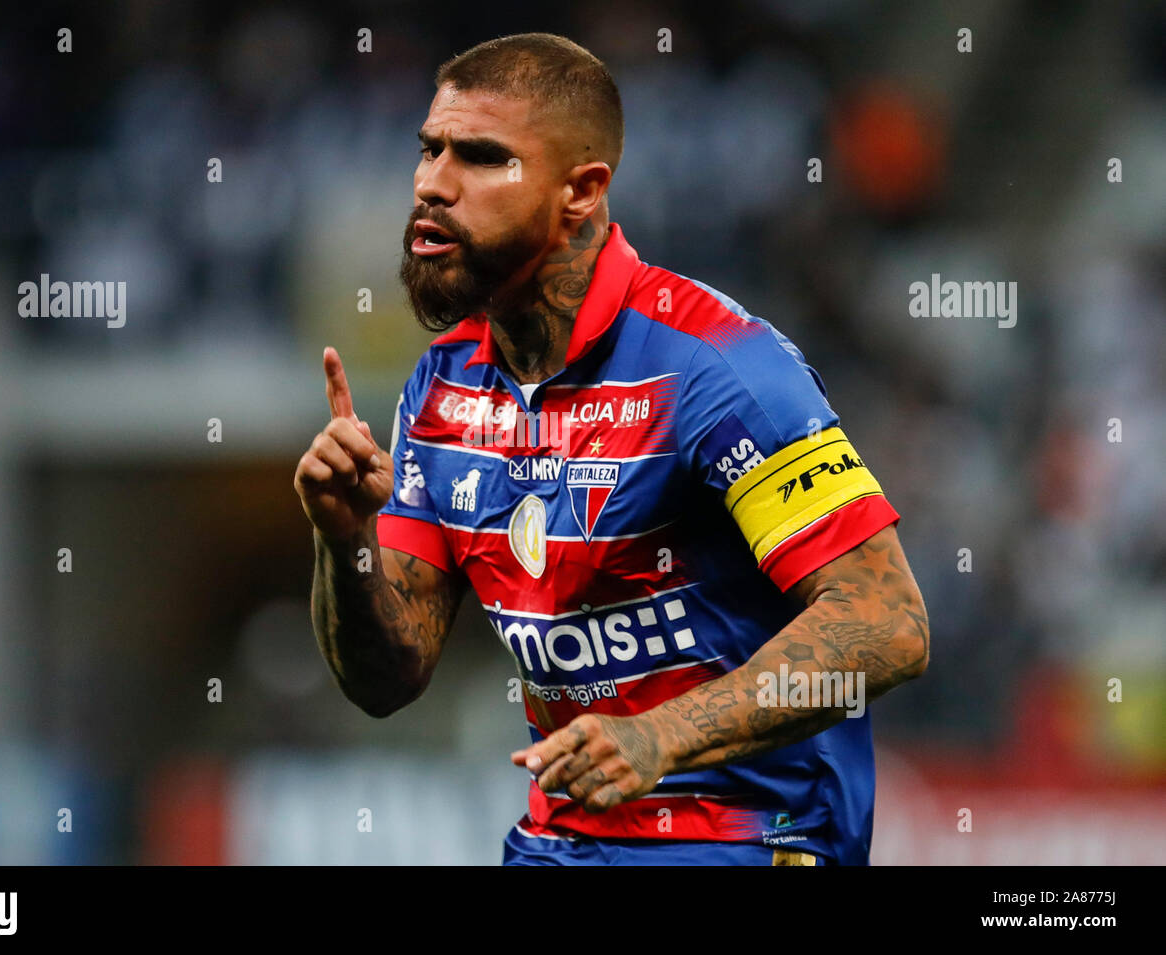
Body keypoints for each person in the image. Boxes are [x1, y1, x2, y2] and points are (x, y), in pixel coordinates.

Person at [295, 33, 929, 865]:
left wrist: (660, 736)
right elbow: (387, 677)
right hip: (561, 844)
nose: (432, 184)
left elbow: (889, 623)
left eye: (481, 158)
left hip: (746, 844)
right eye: (430, 148)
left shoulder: (715, 367)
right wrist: (343, 541)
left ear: (581, 191)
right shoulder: (443, 390)